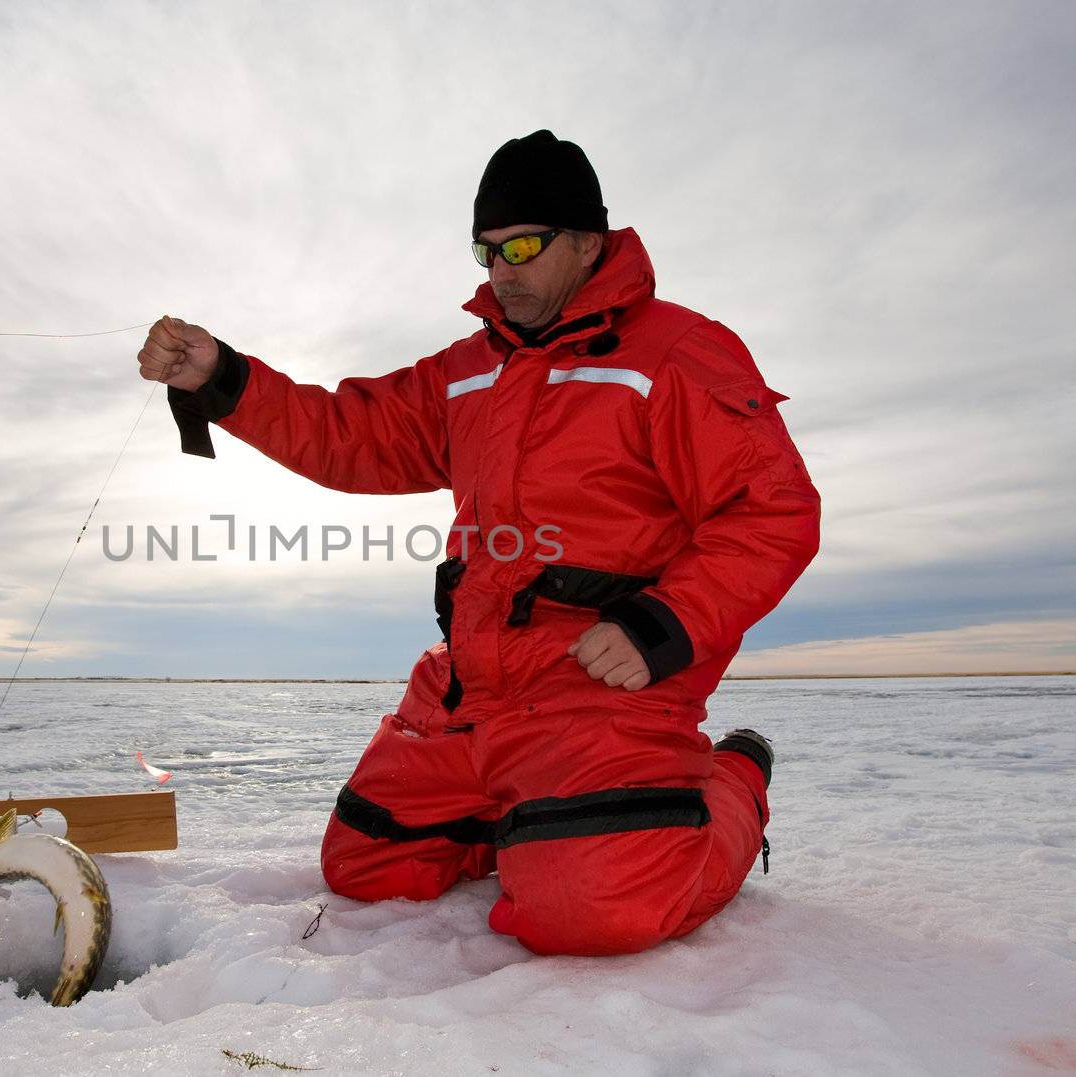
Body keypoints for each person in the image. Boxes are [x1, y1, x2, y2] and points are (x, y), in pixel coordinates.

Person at [135, 130, 820, 956]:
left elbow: (772, 509)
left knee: (592, 910)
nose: (501, 271)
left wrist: (660, 625)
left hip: (599, 686)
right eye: (486, 250)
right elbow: (352, 436)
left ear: (587, 241)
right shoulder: (468, 370)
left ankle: (734, 778)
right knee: (365, 864)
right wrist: (224, 379)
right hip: (471, 689)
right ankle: (536, 817)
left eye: (524, 246)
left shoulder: (678, 355)